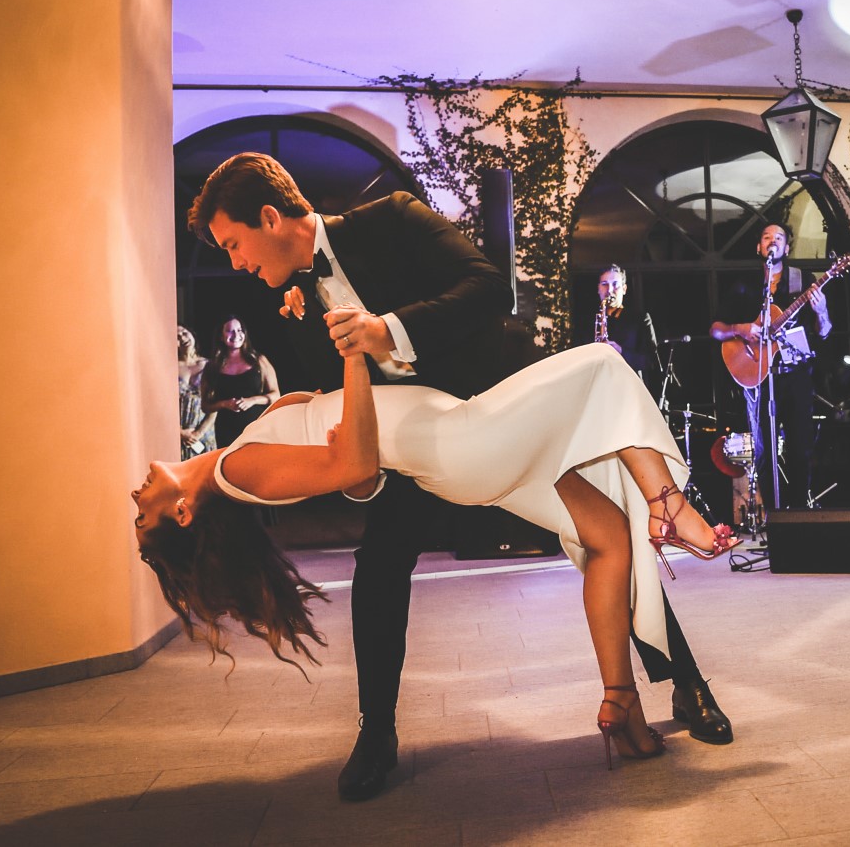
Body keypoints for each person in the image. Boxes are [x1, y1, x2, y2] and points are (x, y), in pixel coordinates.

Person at [187, 152, 736, 802]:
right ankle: (375, 735)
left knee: (602, 532)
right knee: (380, 564)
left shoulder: (391, 218)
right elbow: (340, 400)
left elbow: (487, 288)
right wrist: (355, 471)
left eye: (232, 243)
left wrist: (384, 329)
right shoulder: (296, 306)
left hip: (495, 412)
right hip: (414, 455)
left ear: (271, 217)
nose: (235, 263)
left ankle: (685, 684)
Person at [132, 339, 740, 771]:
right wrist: (352, 352)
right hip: (461, 441)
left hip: (459, 452)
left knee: (609, 538)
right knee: (605, 364)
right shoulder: (238, 471)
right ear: (182, 513)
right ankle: (670, 503)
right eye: (143, 515)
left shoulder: (238, 452)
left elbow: (335, 447)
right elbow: (355, 466)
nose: (136, 497)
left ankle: (620, 701)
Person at [710, 223, 832, 508]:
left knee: (800, 449)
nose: (772, 241)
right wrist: (742, 328)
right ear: (759, 247)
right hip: (760, 378)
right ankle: (774, 516)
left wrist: (822, 311)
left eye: (779, 238)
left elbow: (824, 333)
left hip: (795, 375)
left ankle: (799, 513)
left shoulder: (802, 281)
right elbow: (716, 330)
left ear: (787, 248)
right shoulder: (744, 285)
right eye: (767, 237)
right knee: (764, 451)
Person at [202, 316, 280, 447]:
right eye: (230, 331)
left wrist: (252, 400)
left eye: (239, 330)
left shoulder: (259, 360)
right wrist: (224, 404)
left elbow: (276, 395)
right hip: (227, 429)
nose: (236, 335)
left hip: (257, 425)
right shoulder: (212, 367)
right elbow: (205, 405)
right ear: (221, 336)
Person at [590, 264, 647, 374]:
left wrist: (621, 351)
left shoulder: (641, 320)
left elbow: (650, 361)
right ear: (598, 289)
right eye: (604, 284)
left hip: (628, 386)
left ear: (624, 289)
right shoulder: (586, 323)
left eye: (615, 284)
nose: (610, 290)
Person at [177, 326, 216, 460]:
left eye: (184, 333)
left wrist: (199, 433)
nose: (182, 338)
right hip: (178, 434)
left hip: (203, 433)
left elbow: (215, 403)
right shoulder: (170, 366)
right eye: (177, 336)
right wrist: (180, 432)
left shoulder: (209, 366)